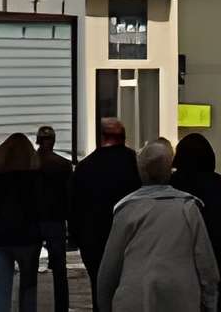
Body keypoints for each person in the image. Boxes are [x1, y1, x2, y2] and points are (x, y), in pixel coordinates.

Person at [97, 140, 219, 312]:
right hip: (180, 298)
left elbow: (110, 267)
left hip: (135, 298)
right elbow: (206, 263)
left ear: (141, 171)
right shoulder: (188, 207)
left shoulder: (127, 209)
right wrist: (209, 303)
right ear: (170, 170)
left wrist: (104, 304)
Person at [171, 134, 221, 311]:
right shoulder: (218, 182)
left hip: (181, 251)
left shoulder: (172, 183)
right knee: (214, 303)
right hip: (217, 251)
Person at [71, 120, 142, 306]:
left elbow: (75, 205)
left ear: (101, 138)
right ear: (124, 138)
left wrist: (76, 237)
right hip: (130, 237)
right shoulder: (137, 165)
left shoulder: (85, 166)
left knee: (99, 288)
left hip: (94, 239)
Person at [0, 133, 42, 312]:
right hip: (28, 237)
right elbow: (39, 207)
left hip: (1, 237)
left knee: (2, 289)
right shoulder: (34, 177)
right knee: (29, 287)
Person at [35, 127, 74, 312]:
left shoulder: (28, 164)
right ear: (53, 141)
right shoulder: (63, 165)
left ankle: (28, 306)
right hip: (56, 219)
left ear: (38, 140)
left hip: (33, 220)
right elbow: (70, 196)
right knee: (60, 270)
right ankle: (61, 307)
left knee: (28, 270)